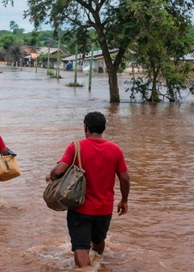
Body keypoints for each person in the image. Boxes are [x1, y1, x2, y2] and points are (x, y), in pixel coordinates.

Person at [44, 112, 130, 268]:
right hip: (104, 209)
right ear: (104, 128)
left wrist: (50, 176)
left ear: (85, 128)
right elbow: (124, 179)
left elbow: (58, 171)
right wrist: (124, 200)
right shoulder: (115, 149)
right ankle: (99, 265)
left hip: (80, 209)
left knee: (81, 247)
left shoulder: (76, 147)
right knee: (98, 241)